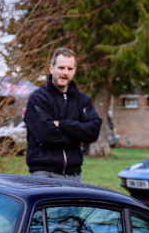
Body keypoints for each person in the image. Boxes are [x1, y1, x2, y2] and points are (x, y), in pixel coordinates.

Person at [23, 48, 102, 181]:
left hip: (74, 175)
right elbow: (46, 135)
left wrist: (62, 124)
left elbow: (93, 131)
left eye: (69, 69)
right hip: (44, 174)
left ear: (75, 71)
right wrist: (78, 137)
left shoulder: (82, 100)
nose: (65, 73)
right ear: (51, 68)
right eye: (61, 68)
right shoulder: (38, 99)